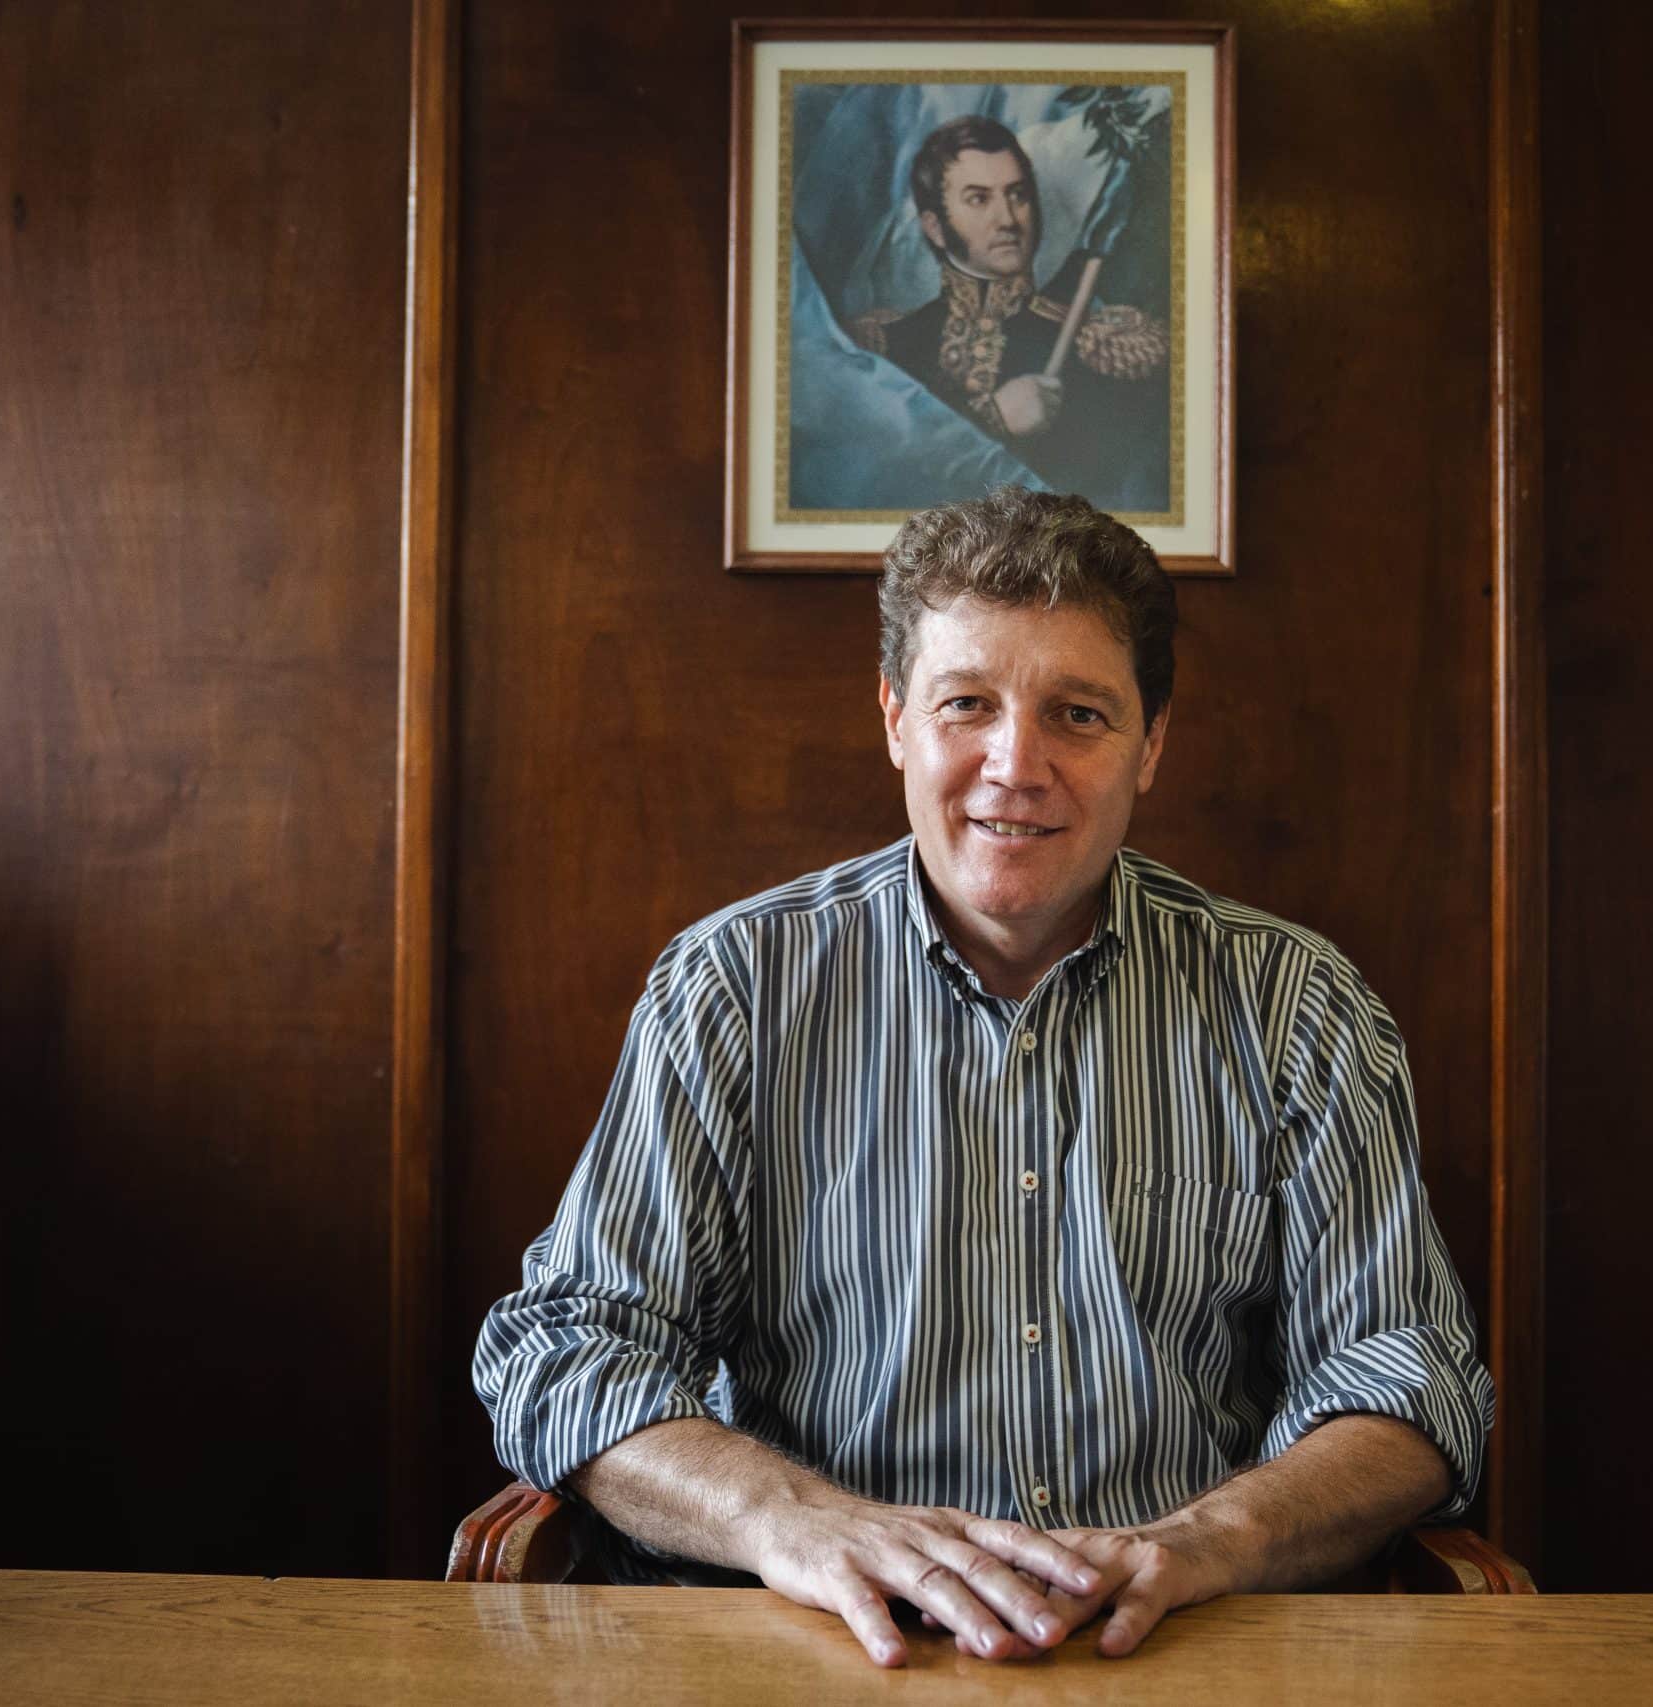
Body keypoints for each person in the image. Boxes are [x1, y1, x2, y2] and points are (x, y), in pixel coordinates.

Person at [474, 488, 1494, 1666]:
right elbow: (570, 1351)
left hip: (1178, 1649)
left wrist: (1213, 1541)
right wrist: (792, 1522)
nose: (1016, 766)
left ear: (1152, 743)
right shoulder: (734, 989)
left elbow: (1409, 1375)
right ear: (896, 720)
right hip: (815, 1652)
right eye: (967, 704)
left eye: (1078, 714)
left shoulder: (1294, 1005)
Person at [846, 117, 1169, 508]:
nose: (1008, 219)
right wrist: (992, 418)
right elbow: (867, 473)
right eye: (979, 199)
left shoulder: (1099, 347)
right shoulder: (885, 345)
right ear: (934, 227)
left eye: (1017, 195)